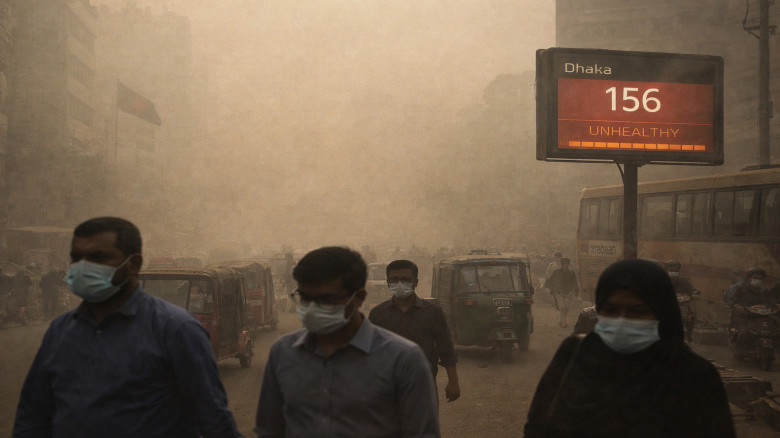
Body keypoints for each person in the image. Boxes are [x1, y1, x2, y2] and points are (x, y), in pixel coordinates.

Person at [14, 217, 243, 438]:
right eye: (77, 258)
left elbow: (213, 419)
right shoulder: (60, 330)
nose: (83, 268)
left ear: (134, 264)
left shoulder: (176, 329)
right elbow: (33, 414)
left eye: (98, 258)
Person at [524, 258, 736, 438]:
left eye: (637, 310)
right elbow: (537, 424)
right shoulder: (575, 355)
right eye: (611, 309)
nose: (622, 320)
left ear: (662, 312)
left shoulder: (695, 375)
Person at [255, 247, 439, 438]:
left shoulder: (403, 359)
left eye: (327, 299)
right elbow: (270, 429)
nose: (313, 308)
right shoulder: (283, 352)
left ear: (358, 298)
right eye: (305, 298)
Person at [369, 259, 460, 404]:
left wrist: (453, 381)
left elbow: (446, 349)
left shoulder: (433, 312)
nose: (399, 284)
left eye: (405, 279)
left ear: (415, 282)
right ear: (388, 283)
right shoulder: (378, 314)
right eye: (394, 280)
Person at [663, 261, 700, 342]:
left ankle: (688, 336)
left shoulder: (683, 281)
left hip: (682, 308)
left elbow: (692, 289)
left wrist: (695, 293)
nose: (674, 272)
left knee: (690, 318)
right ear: (666, 270)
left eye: (676, 271)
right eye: (671, 270)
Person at [545, 258, 579, 328]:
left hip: (569, 293)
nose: (566, 266)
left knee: (566, 308)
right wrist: (551, 289)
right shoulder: (556, 272)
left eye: (567, 264)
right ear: (561, 265)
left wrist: (576, 290)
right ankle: (564, 323)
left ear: (569, 265)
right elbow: (550, 281)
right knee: (562, 307)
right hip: (558, 292)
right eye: (564, 264)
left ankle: (561, 319)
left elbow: (575, 282)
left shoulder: (572, 273)